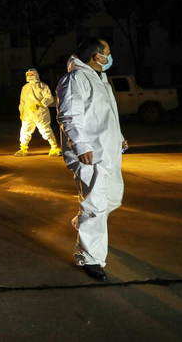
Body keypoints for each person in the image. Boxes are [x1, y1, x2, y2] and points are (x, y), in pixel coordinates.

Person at [56, 38, 128, 281]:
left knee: (113, 198)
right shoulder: (75, 79)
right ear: (96, 56)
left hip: (108, 149)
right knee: (96, 205)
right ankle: (89, 257)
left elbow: (105, 115)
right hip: (90, 152)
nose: (110, 56)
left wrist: (119, 137)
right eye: (107, 52)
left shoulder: (99, 78)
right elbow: (68, 115)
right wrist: (81, 145)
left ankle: (83, 221)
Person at [14, 68, 61, 157]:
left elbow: (49, 98)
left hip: (40, 113)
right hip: (27, 114)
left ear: (36, 75)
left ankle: (54, 147)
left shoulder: (43, 86)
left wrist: (40, 104)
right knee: (25, 131)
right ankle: (23, 148)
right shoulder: (25, 88)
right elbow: (22, 102)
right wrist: (21, 112)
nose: (30, 76)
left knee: (45, 130)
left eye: (32, 74)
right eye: (29, 75)